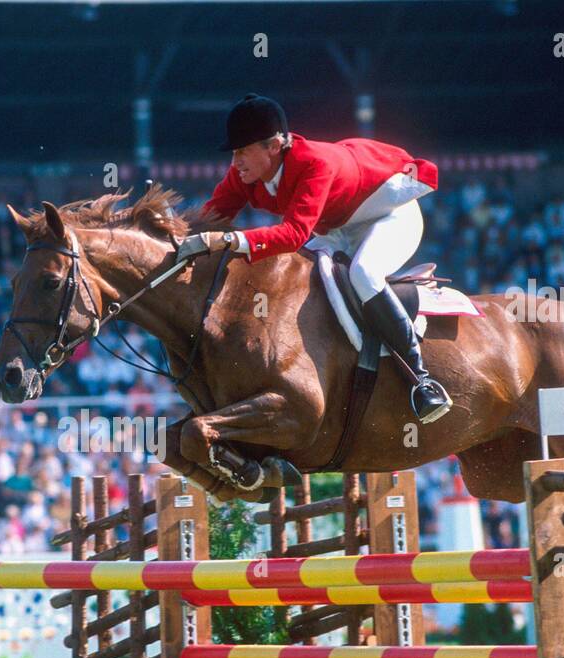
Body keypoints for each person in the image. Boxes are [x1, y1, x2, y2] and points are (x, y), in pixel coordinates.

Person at [178, 93, 451, 422]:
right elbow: (212, 217)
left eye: (243, 151)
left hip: (390, 216)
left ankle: (422, 380)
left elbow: (293, 234)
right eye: (235, 152)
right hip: (338, 228)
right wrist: (175, 239)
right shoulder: (244, 175)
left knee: (363, 274)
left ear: (274, 146)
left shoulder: (314, 163)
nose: (236, 161)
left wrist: (230, 240)